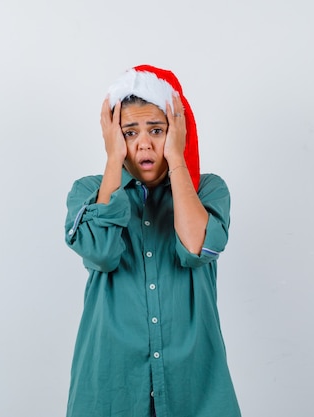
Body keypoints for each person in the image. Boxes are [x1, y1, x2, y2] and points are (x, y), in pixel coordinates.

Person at [64, 65, 241, 417]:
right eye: (129, 132)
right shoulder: (90, 192)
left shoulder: (208, 190)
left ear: (177, 131)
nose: (144, 143)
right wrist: (114, 158)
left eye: (157, 130)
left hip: (195, 387)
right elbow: (100, 253)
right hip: (111, 388)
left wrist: (177, 156)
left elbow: (195, 249)